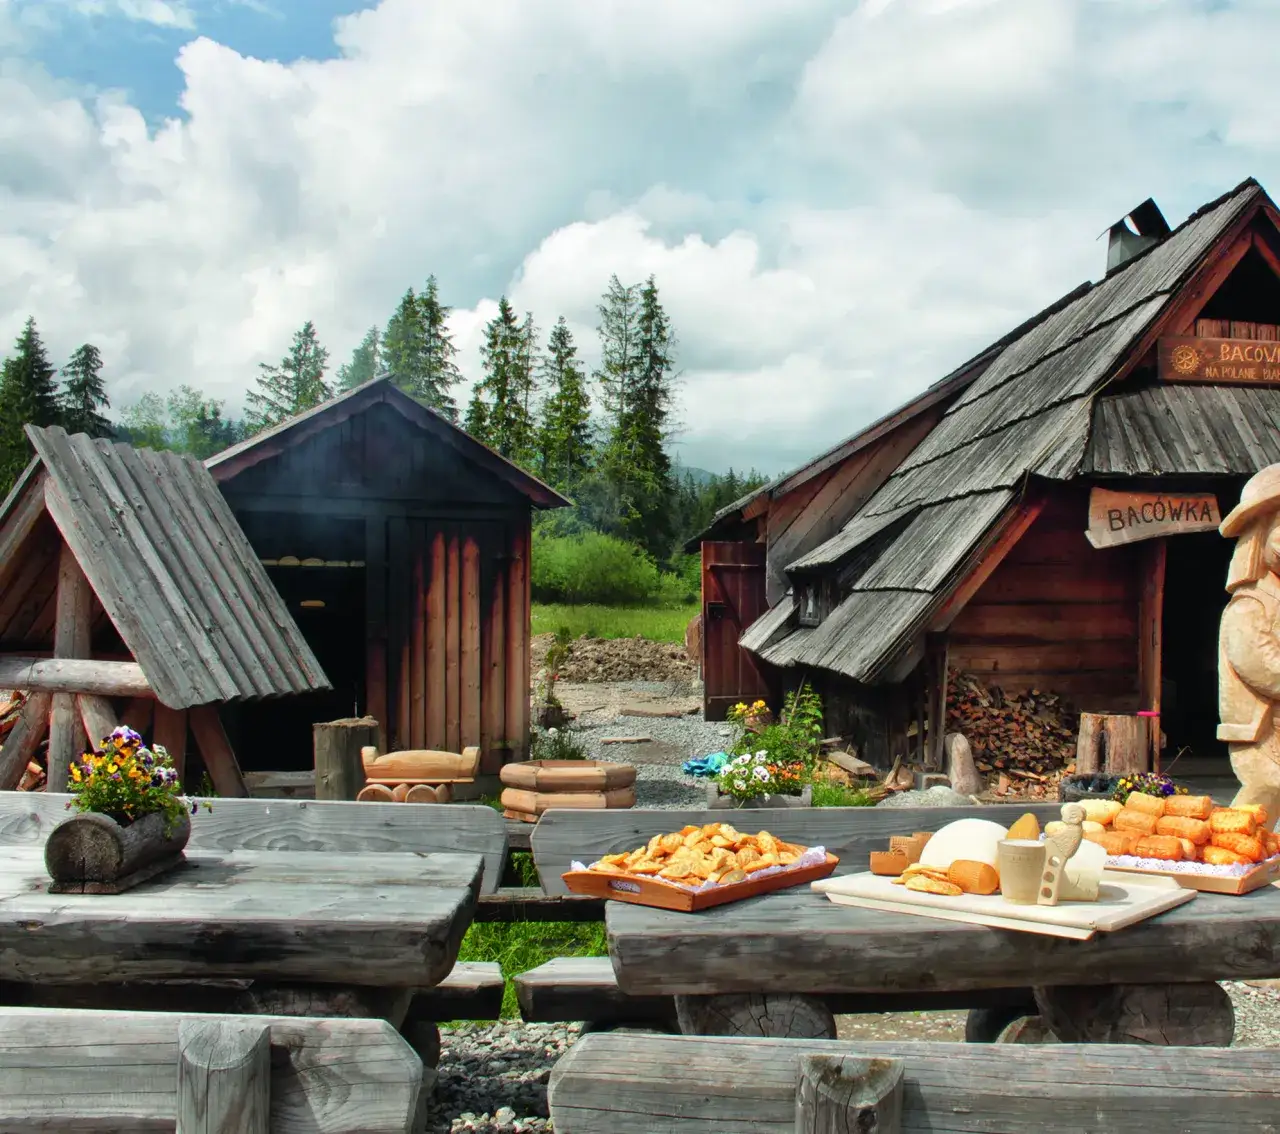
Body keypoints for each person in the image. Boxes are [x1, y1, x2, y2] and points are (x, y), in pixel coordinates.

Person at [1218, 464, 1280, 828]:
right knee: (1266, 787)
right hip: (1259, 725)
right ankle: (1232, 847)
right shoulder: (1250, 603)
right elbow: (1258, 663)